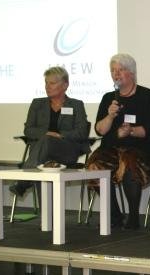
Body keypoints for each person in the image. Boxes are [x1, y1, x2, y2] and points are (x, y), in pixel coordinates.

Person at [87, 53, 150, 230]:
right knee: (94, 164)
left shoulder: (146, 95)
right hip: (112, 148)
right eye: (113, 70)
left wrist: (132, 131)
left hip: (140, 149)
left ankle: (133, 216)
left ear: (131, 72)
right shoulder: (109, 98)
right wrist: (110, 115)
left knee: (128, 160)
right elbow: (99, 130)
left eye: (120, 70)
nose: (116, 74)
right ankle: (114, 214)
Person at [9, 66, 90, 196]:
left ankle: (23, 182)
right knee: (42, 161)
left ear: (65, 85)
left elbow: (82, 132)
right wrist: (46, 134)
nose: (47, 86)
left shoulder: (76, 105)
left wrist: (59, 135)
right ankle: (46, 215)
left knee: (46, 144)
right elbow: (28, 130)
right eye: (46, 83)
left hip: (65, 152)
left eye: (52, 83)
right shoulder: (37, 104)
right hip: (42, 155)